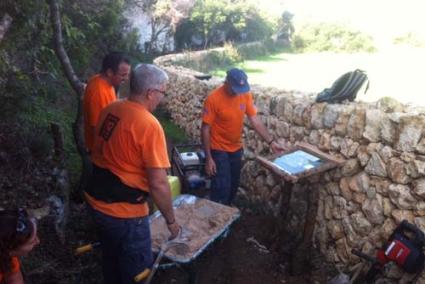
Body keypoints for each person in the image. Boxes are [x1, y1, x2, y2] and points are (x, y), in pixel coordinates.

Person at [84, 64, 180, 284]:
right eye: (162, 93)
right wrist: (171, 222)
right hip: (124, 214)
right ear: (150, 93)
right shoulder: (149, 125)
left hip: (96, 201)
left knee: (111, 260)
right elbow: (159, 184)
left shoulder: (111, 109)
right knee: (136, 273)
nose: (161, 99)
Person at [201, 68, 286, 205]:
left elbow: (255, 120)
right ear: (227, 82)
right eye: (235, 88)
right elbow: (205, 129)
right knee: (222, 186)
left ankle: (227, 215)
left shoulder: (245, 94)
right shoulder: (213, 99)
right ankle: (217, 218)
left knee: (234, 185)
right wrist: (209, 158)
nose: (238, 92)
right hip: (218, 148)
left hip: (236, 148)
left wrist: (271, 142)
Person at [83, 51, 131, 153]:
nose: (126, 79)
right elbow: (97, 127)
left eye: (127, 75)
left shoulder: (107, 83)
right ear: (110, 72)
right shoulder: (98, 91)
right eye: (123, 75)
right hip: (100, 150)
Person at [0, 209, 40, 284]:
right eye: (32, 241)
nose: (38, 241)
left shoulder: (5, 253)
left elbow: (14, 277)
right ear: (11, 248)